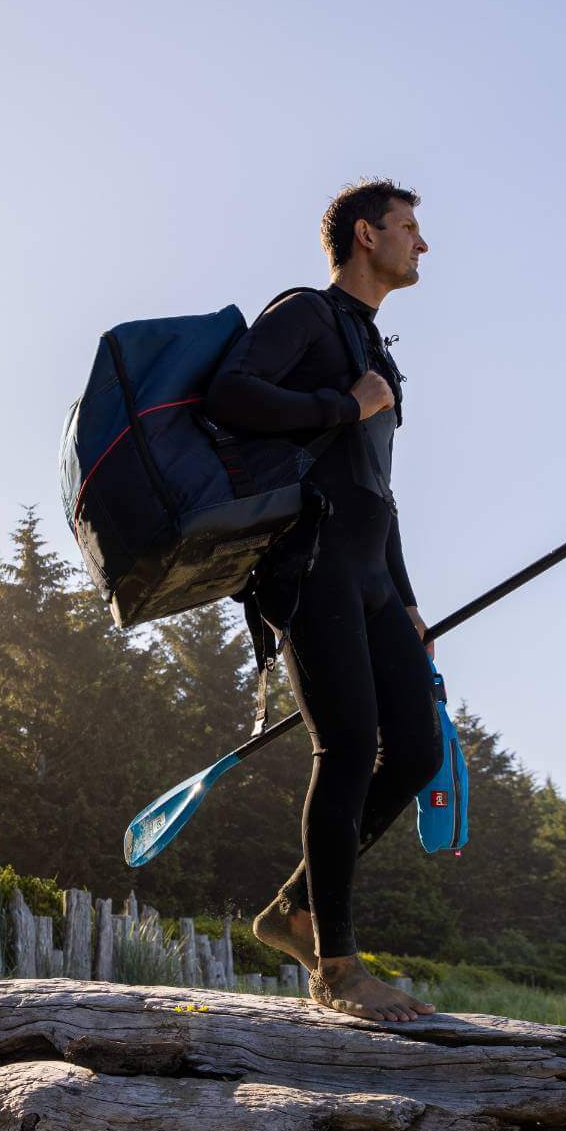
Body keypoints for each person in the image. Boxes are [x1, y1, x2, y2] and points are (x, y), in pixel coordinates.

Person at [206, 179, 439, 1024]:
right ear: (366, 234)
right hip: (308, 562)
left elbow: (381, 488)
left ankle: (296, 911)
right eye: (411, 228)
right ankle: (335, 967)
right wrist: (343, 404)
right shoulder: (306, 312)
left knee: (412, 749)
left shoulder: (375, 345)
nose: (423, 245)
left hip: (371, 567)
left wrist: (409, 601)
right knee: (348, 748)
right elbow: (229, 395)